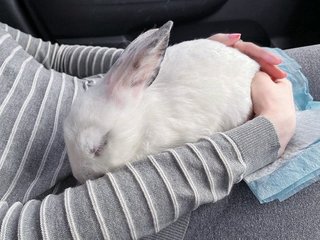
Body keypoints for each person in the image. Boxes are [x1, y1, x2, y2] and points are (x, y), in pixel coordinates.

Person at [0, 22, 300, 240]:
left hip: (110, 96)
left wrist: (162, 60)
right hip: (150, 201)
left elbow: (51, 56)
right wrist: (259, 137)